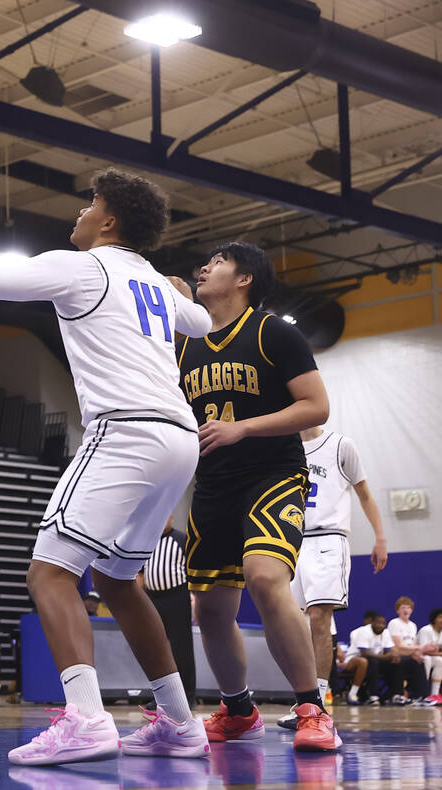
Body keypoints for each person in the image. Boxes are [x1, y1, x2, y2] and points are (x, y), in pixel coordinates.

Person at [0, 168, 213, 765]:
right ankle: (180, 722)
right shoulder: (151, 278)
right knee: (119, 582)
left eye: (90, 203)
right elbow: (203, 324)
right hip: (180, 439)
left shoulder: (83, 267)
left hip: (125, 431)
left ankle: (85, 718)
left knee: (49, 573)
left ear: (110, 221)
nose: (79, 213)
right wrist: (179, 292)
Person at [178, 240, 340, 750]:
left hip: (273, 473)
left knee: (266, 577)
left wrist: (242, 428)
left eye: (218, 262)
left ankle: (312, 709)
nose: (205, 267)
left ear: (244, 278)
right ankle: (238, 710)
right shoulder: (184, 344)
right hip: (213, 484)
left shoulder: (273, 332)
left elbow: (316, 406)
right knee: (209, 610)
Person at [280, 426, 387, 726]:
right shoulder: (283, 446)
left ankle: (319, 702)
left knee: (319, 618)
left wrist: (380, 537)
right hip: (294, 540)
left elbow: (364, 494)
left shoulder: (341, 445)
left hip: (329, 538)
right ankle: (304, 701)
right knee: (297, 624)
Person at [139, 517, 196, 705]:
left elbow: (193, 570)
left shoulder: (181, 539)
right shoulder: (147, 541)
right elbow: (140, 572)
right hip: (152, 599)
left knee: (182, 649)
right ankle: (162, 696)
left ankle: (187, 695)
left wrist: (194, 596)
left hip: (177, 597)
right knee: (154, 649)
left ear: (171, 519)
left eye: (166, 518)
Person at [386, 597, 432, 705]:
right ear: (398, 610)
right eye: (403, 607)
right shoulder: (394, 623)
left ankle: (422, 696)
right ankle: (397, 695)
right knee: (401, 662)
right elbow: (399, 645)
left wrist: (416, 653)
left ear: (412, 610)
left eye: (408, 607)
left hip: (408, 655)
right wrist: (421, 648)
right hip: (396, 655)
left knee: (420, 661)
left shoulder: (413, 625)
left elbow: (413, 644)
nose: (406, 610)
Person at [347, 610, 393, 704]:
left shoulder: (386, 632)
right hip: (354, 659)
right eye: (378, 623)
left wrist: (393, 656)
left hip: (374, 660)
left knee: (395, 662)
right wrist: (385, 657)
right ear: (372, 623)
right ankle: (354, 693)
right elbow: (364, 653)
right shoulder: (362, 631)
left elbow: (388, 651)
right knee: (367, 661)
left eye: (383, 623)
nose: (381, 625)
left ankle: (396, 695)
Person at [415, 609, 442, 702]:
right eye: (440, 617)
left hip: (433, 657)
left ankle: (434, 694)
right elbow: (423, 651)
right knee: (427, 659)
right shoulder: (426, 630)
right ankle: (422, 693)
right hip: (416, 656)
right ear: (434, 619)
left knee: (440, 661)